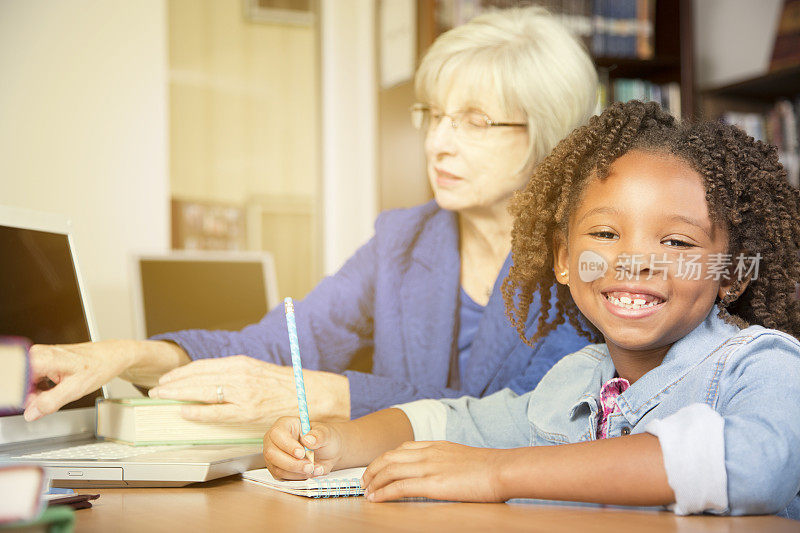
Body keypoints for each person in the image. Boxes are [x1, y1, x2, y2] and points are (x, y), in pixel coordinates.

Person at [24, 7, 598, 424]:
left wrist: (326, 395)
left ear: (548, 135)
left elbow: (529, 416)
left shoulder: (589, 255)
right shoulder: (402, 239)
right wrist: (125, 355)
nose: (438, 143)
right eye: (434, 114)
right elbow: (278, 347)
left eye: (474, 120)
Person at [262, 100, 800, 518]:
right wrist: (338, 441)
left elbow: (747, 465)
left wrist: (499, 473)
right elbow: (454, 423)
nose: (634, 261)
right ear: (564, 261)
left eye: (677, 243)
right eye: (606, 233)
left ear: (730, 273)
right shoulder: (576, 382)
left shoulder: (765, 366)